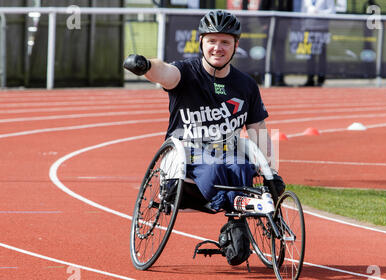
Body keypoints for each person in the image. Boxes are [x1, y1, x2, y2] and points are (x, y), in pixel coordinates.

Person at [123, 10, 285, 213]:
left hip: (226, 152)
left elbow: (258, 129)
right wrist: (146, 65)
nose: (218, 48)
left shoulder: (246, 85)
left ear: (236, 45)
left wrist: (272, 171)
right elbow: (164, 71)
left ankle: (237, 227)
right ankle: (232, 202)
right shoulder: (185, 72)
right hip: (187, 154)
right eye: (212, 41)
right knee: (213, 167)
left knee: (241, 166)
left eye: (225, 42)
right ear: (201, 42)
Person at [301, 0, 335, 86]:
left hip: (322, 28)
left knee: (321, 54)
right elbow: (303, 11)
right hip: (309, 27)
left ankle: (321, 78)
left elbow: (332, 11)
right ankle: (310, 78)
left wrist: (319, 12)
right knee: (310, 55)